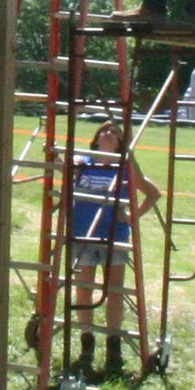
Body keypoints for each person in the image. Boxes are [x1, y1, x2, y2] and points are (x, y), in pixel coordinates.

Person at [66, 119, 160, 373]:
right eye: (104, 130)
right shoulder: (83, 163)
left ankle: (113, 346)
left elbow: (153, 193)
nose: (108, 134)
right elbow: (63, 169)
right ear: (96, 138)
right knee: (84, 288)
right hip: (83, 233)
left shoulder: (125, 167)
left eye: (115, 133)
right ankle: (87, 343)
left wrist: (132, 217)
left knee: (114, 291)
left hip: (114, 235)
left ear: (121, 143)